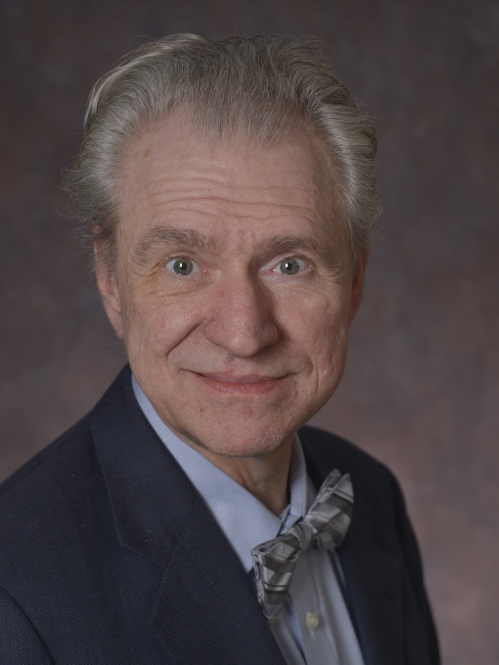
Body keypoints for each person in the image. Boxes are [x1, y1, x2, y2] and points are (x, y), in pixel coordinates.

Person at [0, 34, 439, 665]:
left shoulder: (372, 497)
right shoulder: (14, 595)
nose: (244, 332)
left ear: (355, 281)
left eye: (290, 264)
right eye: (183, 264)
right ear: (110, 280)